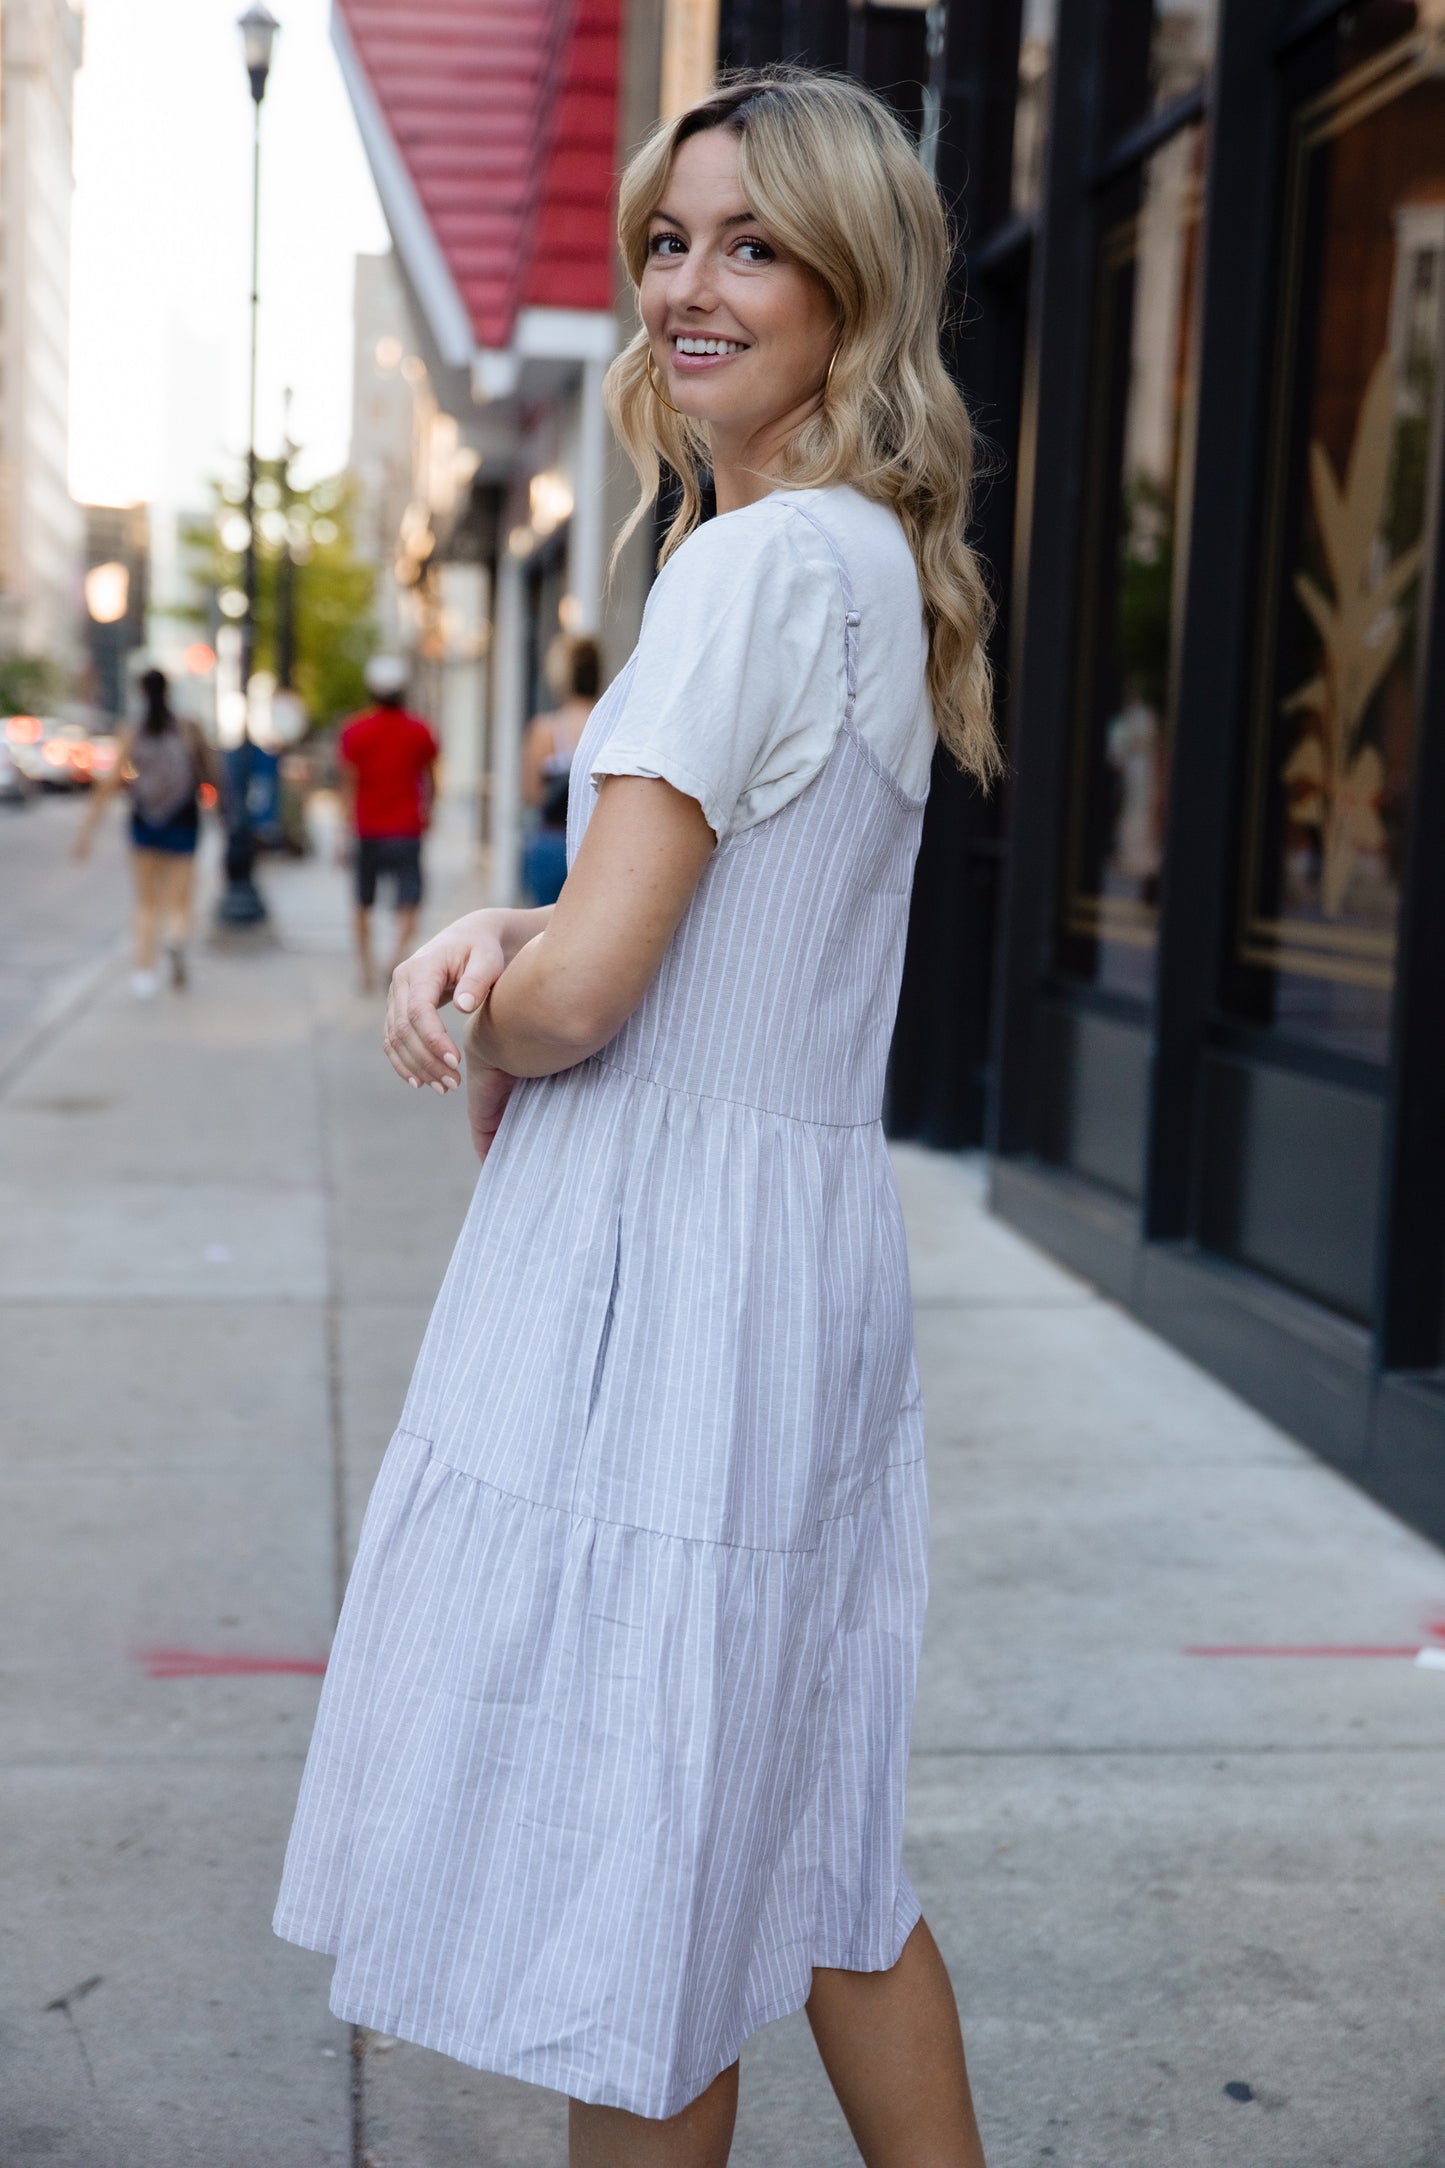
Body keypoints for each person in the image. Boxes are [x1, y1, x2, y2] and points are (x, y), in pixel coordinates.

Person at [275, 67, 999, 2168]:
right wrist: (519, 921)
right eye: (668, 239)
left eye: (751, 245)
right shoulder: (863, 561)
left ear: (848, 288)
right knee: (812, 1847)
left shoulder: (746, 569)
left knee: (642, 1875)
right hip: (783, 1270)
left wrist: (475, 998)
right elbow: (698, 921)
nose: (687, 285)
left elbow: (594, 997)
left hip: (661, 1292)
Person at [73, 667, 215, 998]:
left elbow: (109, 784)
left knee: (146, 903)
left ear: (141, 692)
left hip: (144, 822)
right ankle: (177, 939)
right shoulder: (187, 727)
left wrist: (87, 832)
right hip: (183, 820)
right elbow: (211, 772)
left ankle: (145, 973)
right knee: (180, 900)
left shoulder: (131, 731)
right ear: (168, 691)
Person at [336, 656, 439, 992]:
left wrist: (343, 831)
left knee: (362, 901)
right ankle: (394, 959)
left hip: (368, 829)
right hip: (407, 828)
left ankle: (366, 971)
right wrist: (429, 813)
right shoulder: (420, 730)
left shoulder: (355, 731)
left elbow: (348, 785)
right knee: (410, 898)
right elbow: (431, 779)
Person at [521, 632, 602, 905]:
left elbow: (531, 794)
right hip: (599, 843)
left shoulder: (545, 730)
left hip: (554, 842)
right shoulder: (611, 725)